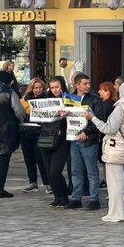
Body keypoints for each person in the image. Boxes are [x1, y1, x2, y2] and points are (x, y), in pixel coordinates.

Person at [88, 81, 124, 222]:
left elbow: (109, 129)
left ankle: (116, 213)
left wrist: (93, 118)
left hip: (116, 150)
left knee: (115, 184)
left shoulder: (120, 108)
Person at [61, 73, 104, 210]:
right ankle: (76, 197)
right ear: (77, 84)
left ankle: (94, 199)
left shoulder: (95, 100)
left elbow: (100, 119)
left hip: (89, 140)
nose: (88, 86)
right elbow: (68, 117)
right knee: (75, 170)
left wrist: (87, 132)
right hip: (74, 138)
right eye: (85, 84)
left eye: (88, 83)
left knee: (91, 171)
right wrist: (64, 114)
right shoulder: (70, 98)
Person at [37, 76, 71, 207]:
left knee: (55, 171)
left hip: (62, 138)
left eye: (57, 87)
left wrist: (67, 114)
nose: (55, 90)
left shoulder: (68, 99)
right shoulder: (45, 99)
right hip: (46, 136)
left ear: (62, 86)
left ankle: (64, 196)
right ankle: (57, 197)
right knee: (48, 171)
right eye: (52, 87)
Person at [20, 77, 51, 194]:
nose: (38, 90)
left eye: (40, 88)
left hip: (39, 132)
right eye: (35, 88)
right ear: (31, 88)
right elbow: (20, 113)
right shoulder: (24, 99)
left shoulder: (46, 99)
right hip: (26, 132)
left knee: (41, 159)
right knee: (29, 159)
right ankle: (32, 182)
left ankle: (47, 183)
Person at [97, 81, 118, 188]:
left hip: (106, 136)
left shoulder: (107, 105)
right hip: (107, 136)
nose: (99, 92)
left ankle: (107, 181)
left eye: (101, 90)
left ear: (107, 92)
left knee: (106, 161)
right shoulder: (112, 103)